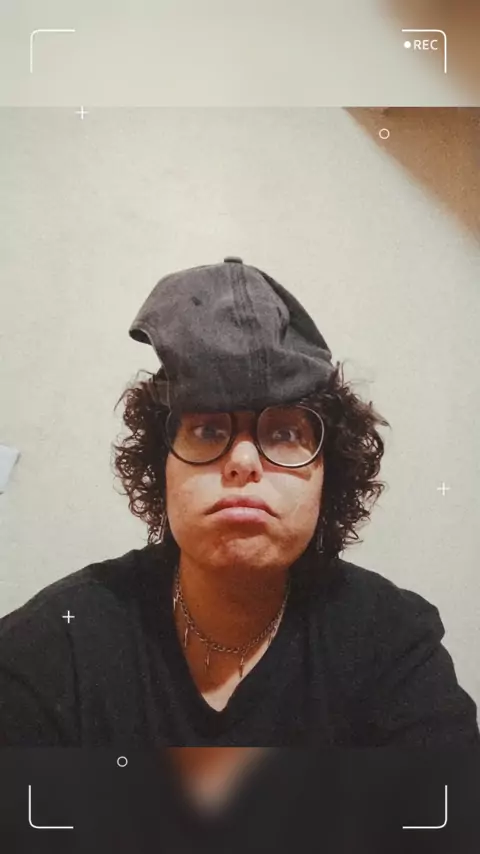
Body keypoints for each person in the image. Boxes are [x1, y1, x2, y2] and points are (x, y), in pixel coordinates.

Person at [0, 257, 478, 750]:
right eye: (208, 430)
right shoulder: (55, 647)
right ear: (161, 465)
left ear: (328, 474)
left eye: (285, 433)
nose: (244, 461)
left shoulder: (391, 645)